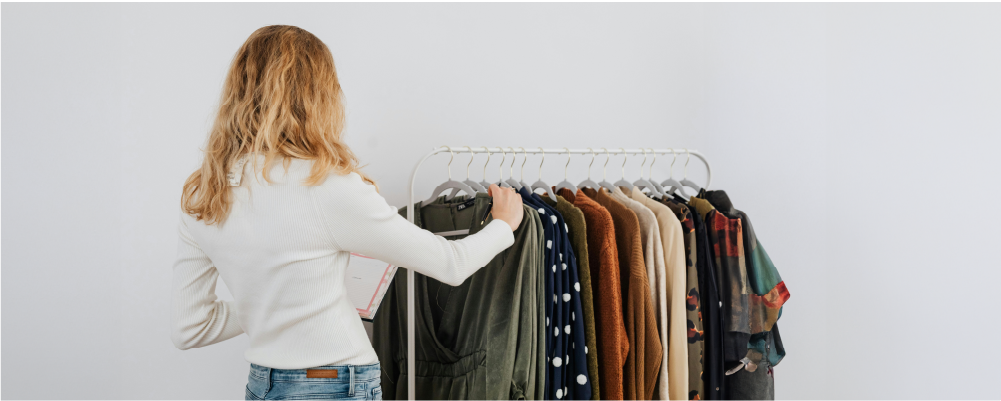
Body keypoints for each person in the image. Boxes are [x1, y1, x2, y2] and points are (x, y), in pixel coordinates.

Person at [169, 25, 524, 401]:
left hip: (263, 385)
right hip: (334, 383)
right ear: (319, 96)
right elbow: (451, 264)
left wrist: (270, 299)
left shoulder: (204, 193)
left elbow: (190, 327)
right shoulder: (326, 185)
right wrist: (504, 224)